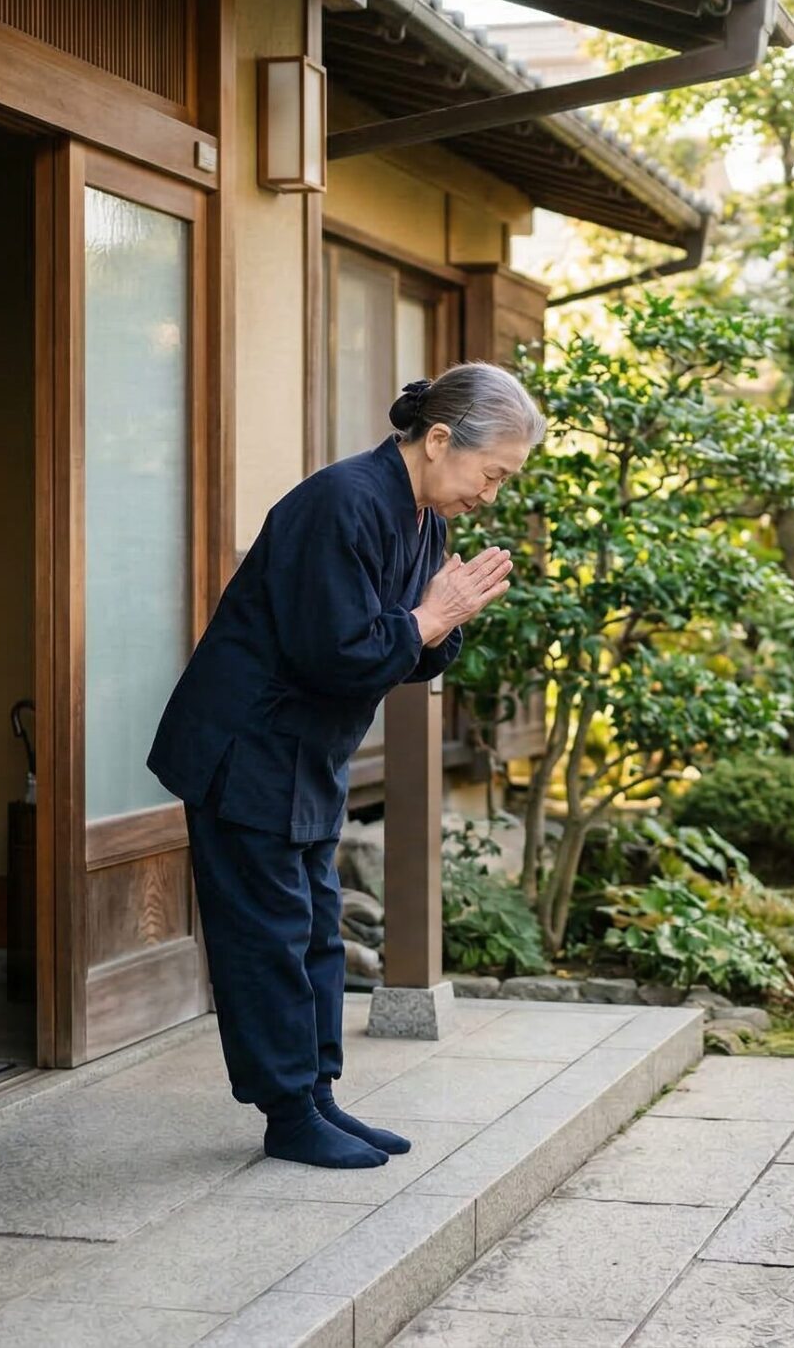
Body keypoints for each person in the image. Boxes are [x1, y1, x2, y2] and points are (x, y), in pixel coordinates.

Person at [148, 363, 542, 1168]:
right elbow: (335, 652)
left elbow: (404, 649)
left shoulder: (423, 521)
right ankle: (288, 1112)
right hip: (248, 747)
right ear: (440, 440)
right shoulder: (341, 502)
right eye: (492, 472)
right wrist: (428, 618)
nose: (492, 493)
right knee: (268, 939)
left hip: (308, 753)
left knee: (316, 932)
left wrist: (441, 618)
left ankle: (318, 1094)